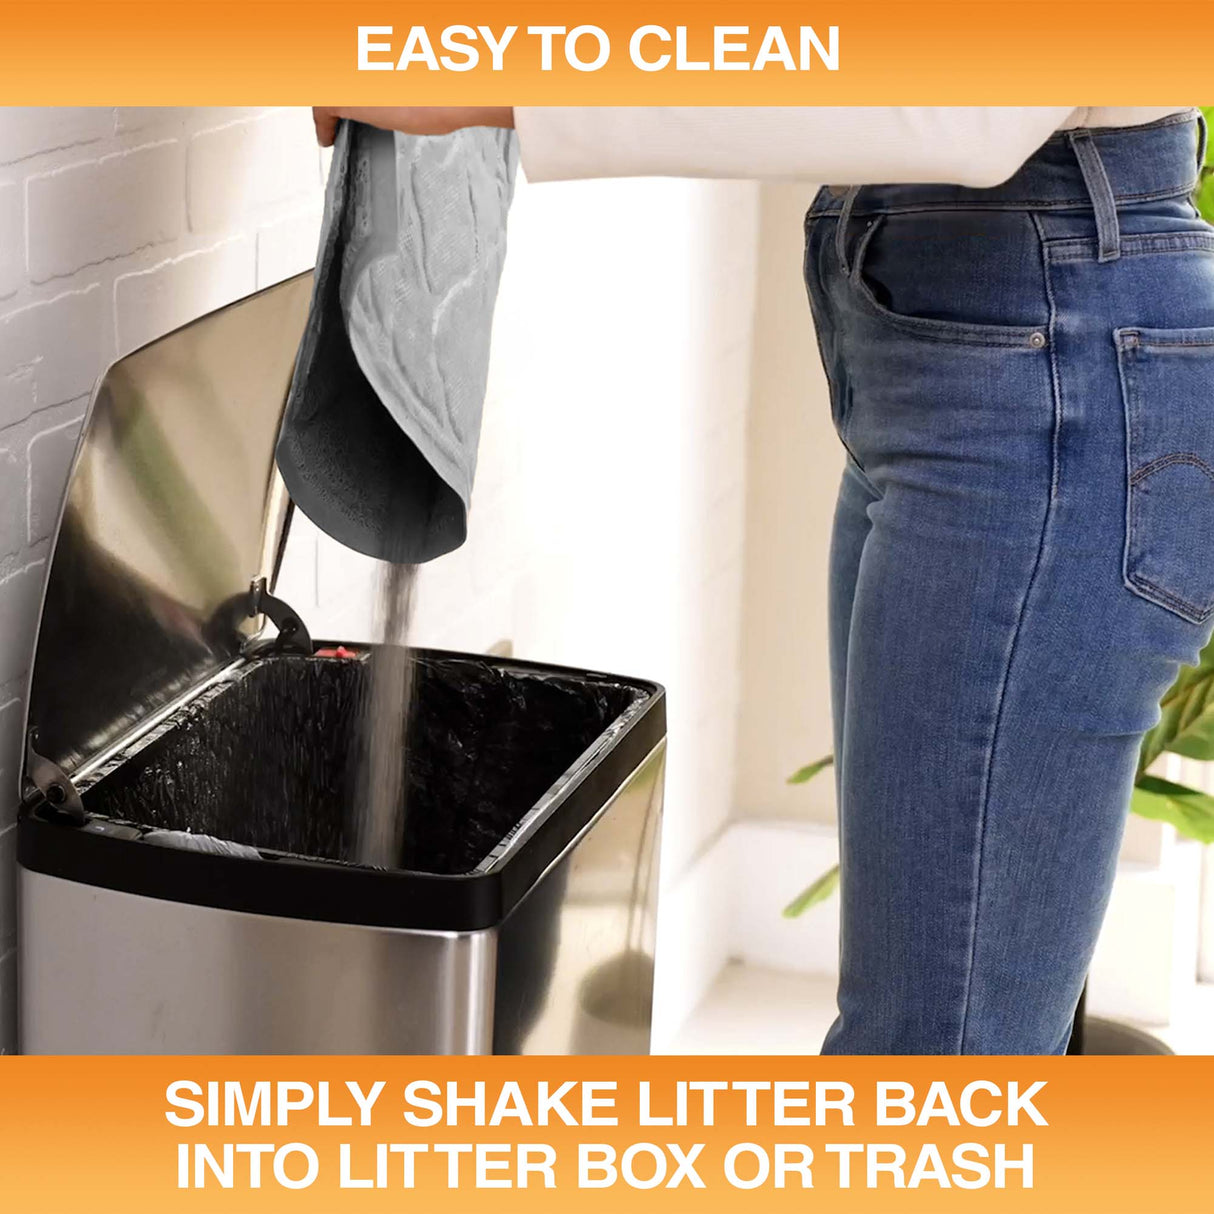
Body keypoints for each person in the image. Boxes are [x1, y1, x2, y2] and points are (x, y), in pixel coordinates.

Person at [313, 106, 1208, 1054]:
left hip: (1045, 364)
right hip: (965, 345)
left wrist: (500, 76)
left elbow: (971, 104)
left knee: (931, 1069)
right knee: (946, 1030)